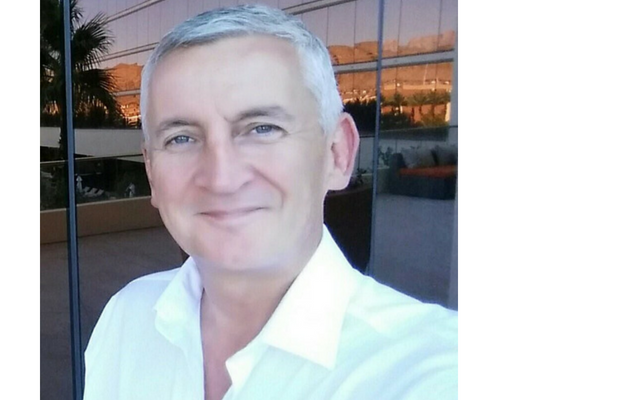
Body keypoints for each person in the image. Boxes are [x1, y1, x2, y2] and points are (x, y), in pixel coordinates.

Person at [84, 5, 457, 400]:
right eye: (181, 138)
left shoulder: (434, 369)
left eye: (262, 128)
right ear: (151, 172)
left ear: (337, 154)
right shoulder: (127, 318)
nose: (222, 178)